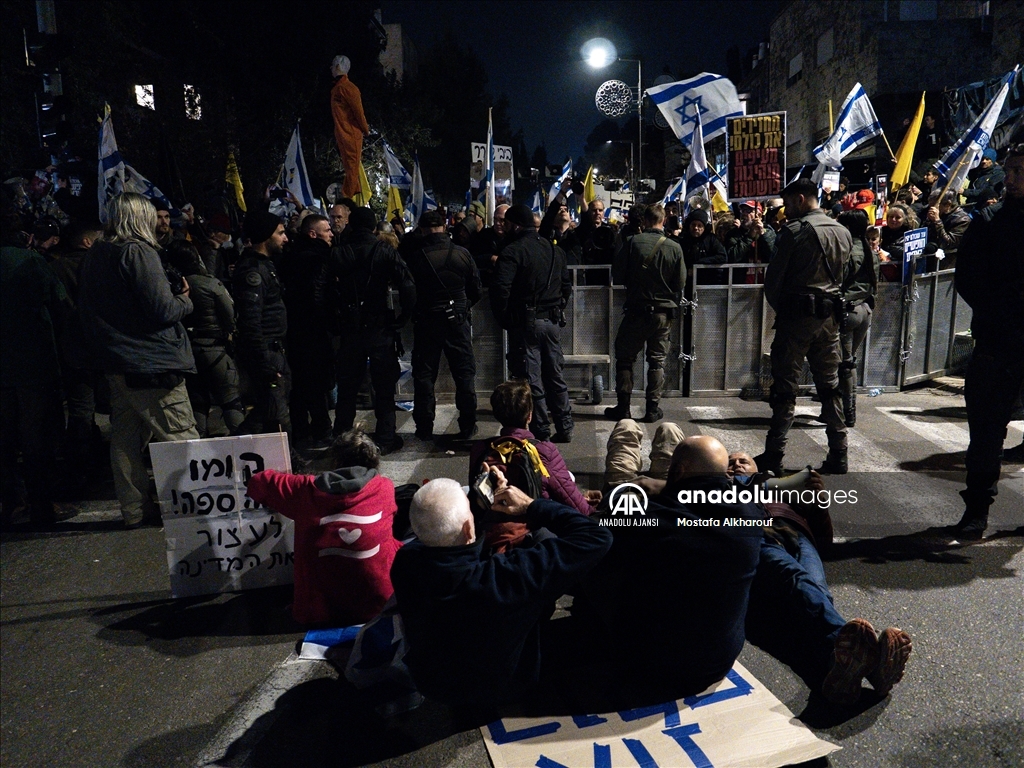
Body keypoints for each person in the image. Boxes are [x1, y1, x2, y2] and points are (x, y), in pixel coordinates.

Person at [390, 476, 612, 708]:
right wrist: (531, 505)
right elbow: (597, 537)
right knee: (543, 538)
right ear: (468, 528)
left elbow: (449, 539)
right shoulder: (505, 579)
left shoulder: (405, 564)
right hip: (504, 689)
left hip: (435, 685)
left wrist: (479, 500)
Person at [583, 436, 762, 704]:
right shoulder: (750, 513)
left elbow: (594, 532)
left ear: (677, 471)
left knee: (592, 559)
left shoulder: (646, 517)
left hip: (652, 665)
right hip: (716, 662)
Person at [728, 452, 912, 705]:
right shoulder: (717, 491)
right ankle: (862, 659)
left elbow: (824, 541)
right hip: (757, 536)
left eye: (743, 461)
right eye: (729, 462)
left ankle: (844, 668)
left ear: (756, 467)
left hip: (798, 537)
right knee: (797, 580)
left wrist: (819, 502)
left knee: (813, 590)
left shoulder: (779, 488)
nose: (736, 464)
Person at [78, 193, 200, 528]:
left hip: (118, 362)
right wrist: (185, 300)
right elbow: (163, 309)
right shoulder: (138, 252)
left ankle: (133, 510)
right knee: (181, 437)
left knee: (126, 439)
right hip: (152, 363)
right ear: (141, 218)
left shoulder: (97, 253)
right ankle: (196, 508)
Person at [246, 429, 401, 626]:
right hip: (377, 606)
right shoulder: (385, 488)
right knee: (396, 544)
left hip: (318, 611)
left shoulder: (303, 489)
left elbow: (257, 483)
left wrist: (288, 473)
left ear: (335, 460)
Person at [951, 144, 1024, 539]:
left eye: (1019, 173)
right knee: (986, 432)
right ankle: (976, 511)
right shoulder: (989, 220)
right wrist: (1002, 309)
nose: (1010, 180)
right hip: (999, 341)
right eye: (1009, 171)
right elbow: (968, 279)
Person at [758, 177, 852, 476]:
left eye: (787, 202)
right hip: (830, 320)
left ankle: (774, 454)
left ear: (800, 199)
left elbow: (773, 282)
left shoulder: (795, 231)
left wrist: (785, 309)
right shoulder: (843, 231)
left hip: (797, 319)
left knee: (785, 388)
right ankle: (839, 452)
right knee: (830, 388)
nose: (785, 209)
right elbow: (845, 277)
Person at [323, 207, 415, 454]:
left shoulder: (339, 252)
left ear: (352, 225)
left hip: (350, 327)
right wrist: (403, 317)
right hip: (379, 325)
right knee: (384, 386)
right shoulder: (384, 250)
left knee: (348, 388)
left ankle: (342, 436)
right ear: (374, 227)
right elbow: (407, 284)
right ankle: (385, 438)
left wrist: (333, 320)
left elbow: (320, 289)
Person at [1, 211, 70, 527]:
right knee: (35, 439)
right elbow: (61, 305)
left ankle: (11, 503)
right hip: (32, 364)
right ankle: (42, 506)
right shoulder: (30, 263)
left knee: (4, 439)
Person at [490, 204, 573, 442]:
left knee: (530, 379)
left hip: (526, 325)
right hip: (552, 322)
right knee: (555, 375)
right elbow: (566, 286)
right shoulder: (555, 251)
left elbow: (500, 289)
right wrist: (556, 308)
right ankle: (565, 426)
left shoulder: (513, 252)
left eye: (506, 224)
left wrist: (506, 319)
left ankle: (541, 430)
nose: (503, 228)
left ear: (515, 225)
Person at [469, 380, 600, 518]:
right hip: (531, 530)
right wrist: (591, 506)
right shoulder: (544, 451)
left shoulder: (480, 449)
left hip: (489, 528)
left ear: (497, 415)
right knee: (566, 477)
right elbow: (579, 509)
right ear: (529, 416)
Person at [405, 209, 481, 441]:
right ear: (444, 226)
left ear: (423, 229)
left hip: (428, 321)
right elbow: (476, 289)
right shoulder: (462, 254)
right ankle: (468, 425)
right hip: (456, 321)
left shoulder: (416, 257)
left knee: (425, 376)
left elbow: (409, 292)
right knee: (464, 374)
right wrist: (462, 305)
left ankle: (425, 427)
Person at [606, 204, 686, 423]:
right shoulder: (674, 247)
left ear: (644, 222)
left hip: (636, 311)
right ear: (663, 221)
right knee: (657, 361)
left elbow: (618, 274)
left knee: (625, 359)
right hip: (663, 314)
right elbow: (679, 283)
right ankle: (652, 408)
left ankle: (623, 408)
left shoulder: (632, 243)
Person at [163, 240, 245, 437]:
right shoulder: (209, 284)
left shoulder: (169, 286)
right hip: (214, 349)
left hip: (187, 351)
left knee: (197, 402)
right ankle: (246, 447)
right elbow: (229, 315)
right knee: (230, 400)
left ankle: (199, 452)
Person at [233, 210, 295, 440]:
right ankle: (290, 464)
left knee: (270, 409)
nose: (285, 238)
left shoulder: (265, 265)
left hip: (274, 348)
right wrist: (263, 361)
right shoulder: (253, 271)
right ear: (266, 236)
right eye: (280, 233)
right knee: (276, 412)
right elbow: (250, 320)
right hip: (266, 351)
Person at [279, 214, 334, 445]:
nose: (331, 234)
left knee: (301, 383)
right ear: (313, 234)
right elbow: (318, 295)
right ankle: (321, 428)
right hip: (313, 329)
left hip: (294, 329)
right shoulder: (320, 258)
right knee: (315, 382)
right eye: (326, 230)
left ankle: (301, 428)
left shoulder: (288, 258)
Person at [833, 210, 880, 427]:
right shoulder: (869, 250)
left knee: (843, 365)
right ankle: (848, 412)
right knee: (849, 362)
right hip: (864, 309)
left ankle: (846, 413)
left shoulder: (847, 250)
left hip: (848, 311)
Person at [330, 56, 370, 199]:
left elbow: (359, 112)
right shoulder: (338, 88)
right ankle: (354, 191)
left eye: (333, 66)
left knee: (352, 166)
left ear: (338, 67)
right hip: (342, 132)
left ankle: (347, 197)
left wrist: (366, 130)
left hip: (351, 133)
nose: (331, 69)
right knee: (349, 166)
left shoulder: (348, 88)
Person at [924, 189, 970, 270]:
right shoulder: (936, 214)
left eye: (934, 206)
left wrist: (937, 221)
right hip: (929, 261)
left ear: (947, 204)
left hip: (947, 264)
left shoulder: (962, 219)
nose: (931, 209)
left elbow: (948, 243)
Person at [680, 208, 727, 285]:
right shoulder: (684, 240)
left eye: (699, 225)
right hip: (688, 283)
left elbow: (722, 256)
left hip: (707, 283)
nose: (696, 228)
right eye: (693, 225)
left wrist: (700, 263)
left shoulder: (711, 239)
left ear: (704, 227)